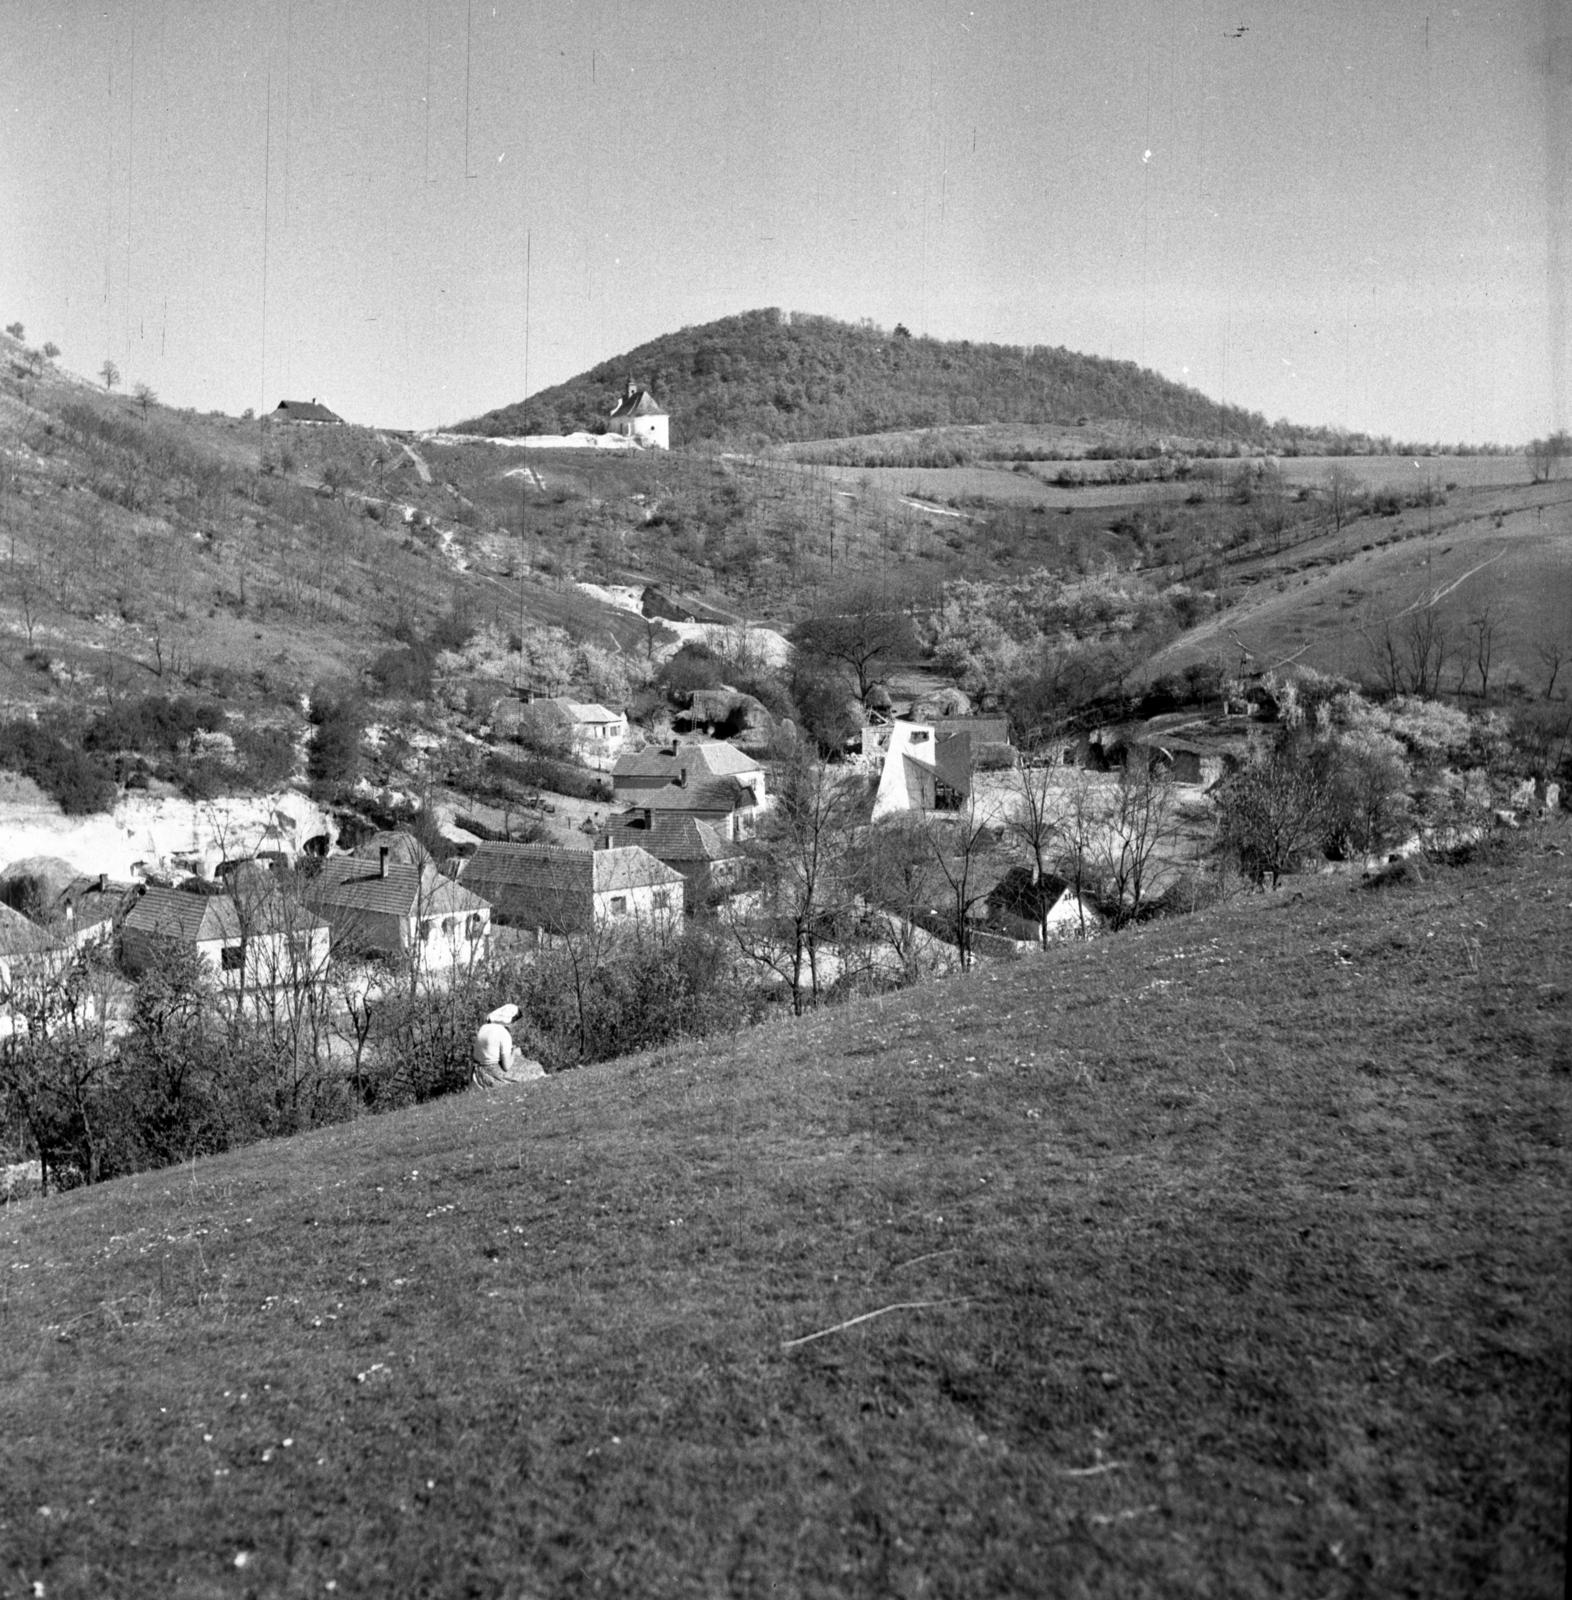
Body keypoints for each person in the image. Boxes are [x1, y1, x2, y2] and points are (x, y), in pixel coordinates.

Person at [471, 1004, 544, 1088]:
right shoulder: (503, 1033)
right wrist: (514, 1053)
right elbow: (506, 1066)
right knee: (536, 1068)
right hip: (493, 1074)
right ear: (511, 1020)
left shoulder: (484, 1027)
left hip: (478, 1072)